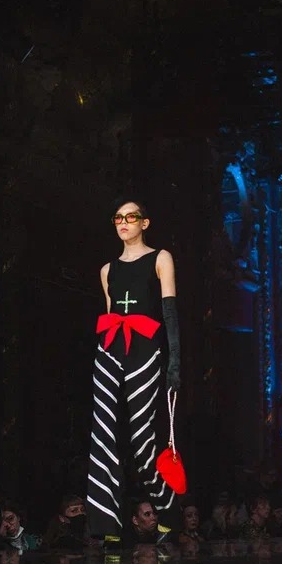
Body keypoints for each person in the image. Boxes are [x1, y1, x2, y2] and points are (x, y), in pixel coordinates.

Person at [86, 198, 181, 540]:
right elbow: (110, 314)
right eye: (118, 218)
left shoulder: (160, 258)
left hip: (145, 351)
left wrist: (174, 363)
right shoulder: (107, 270)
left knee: (142, 441)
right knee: (102, 434)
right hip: (110, 350)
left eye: (131, 217)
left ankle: (168, 507)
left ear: (145, 223)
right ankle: (106, 527)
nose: (124, 222)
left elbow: (169, 313)